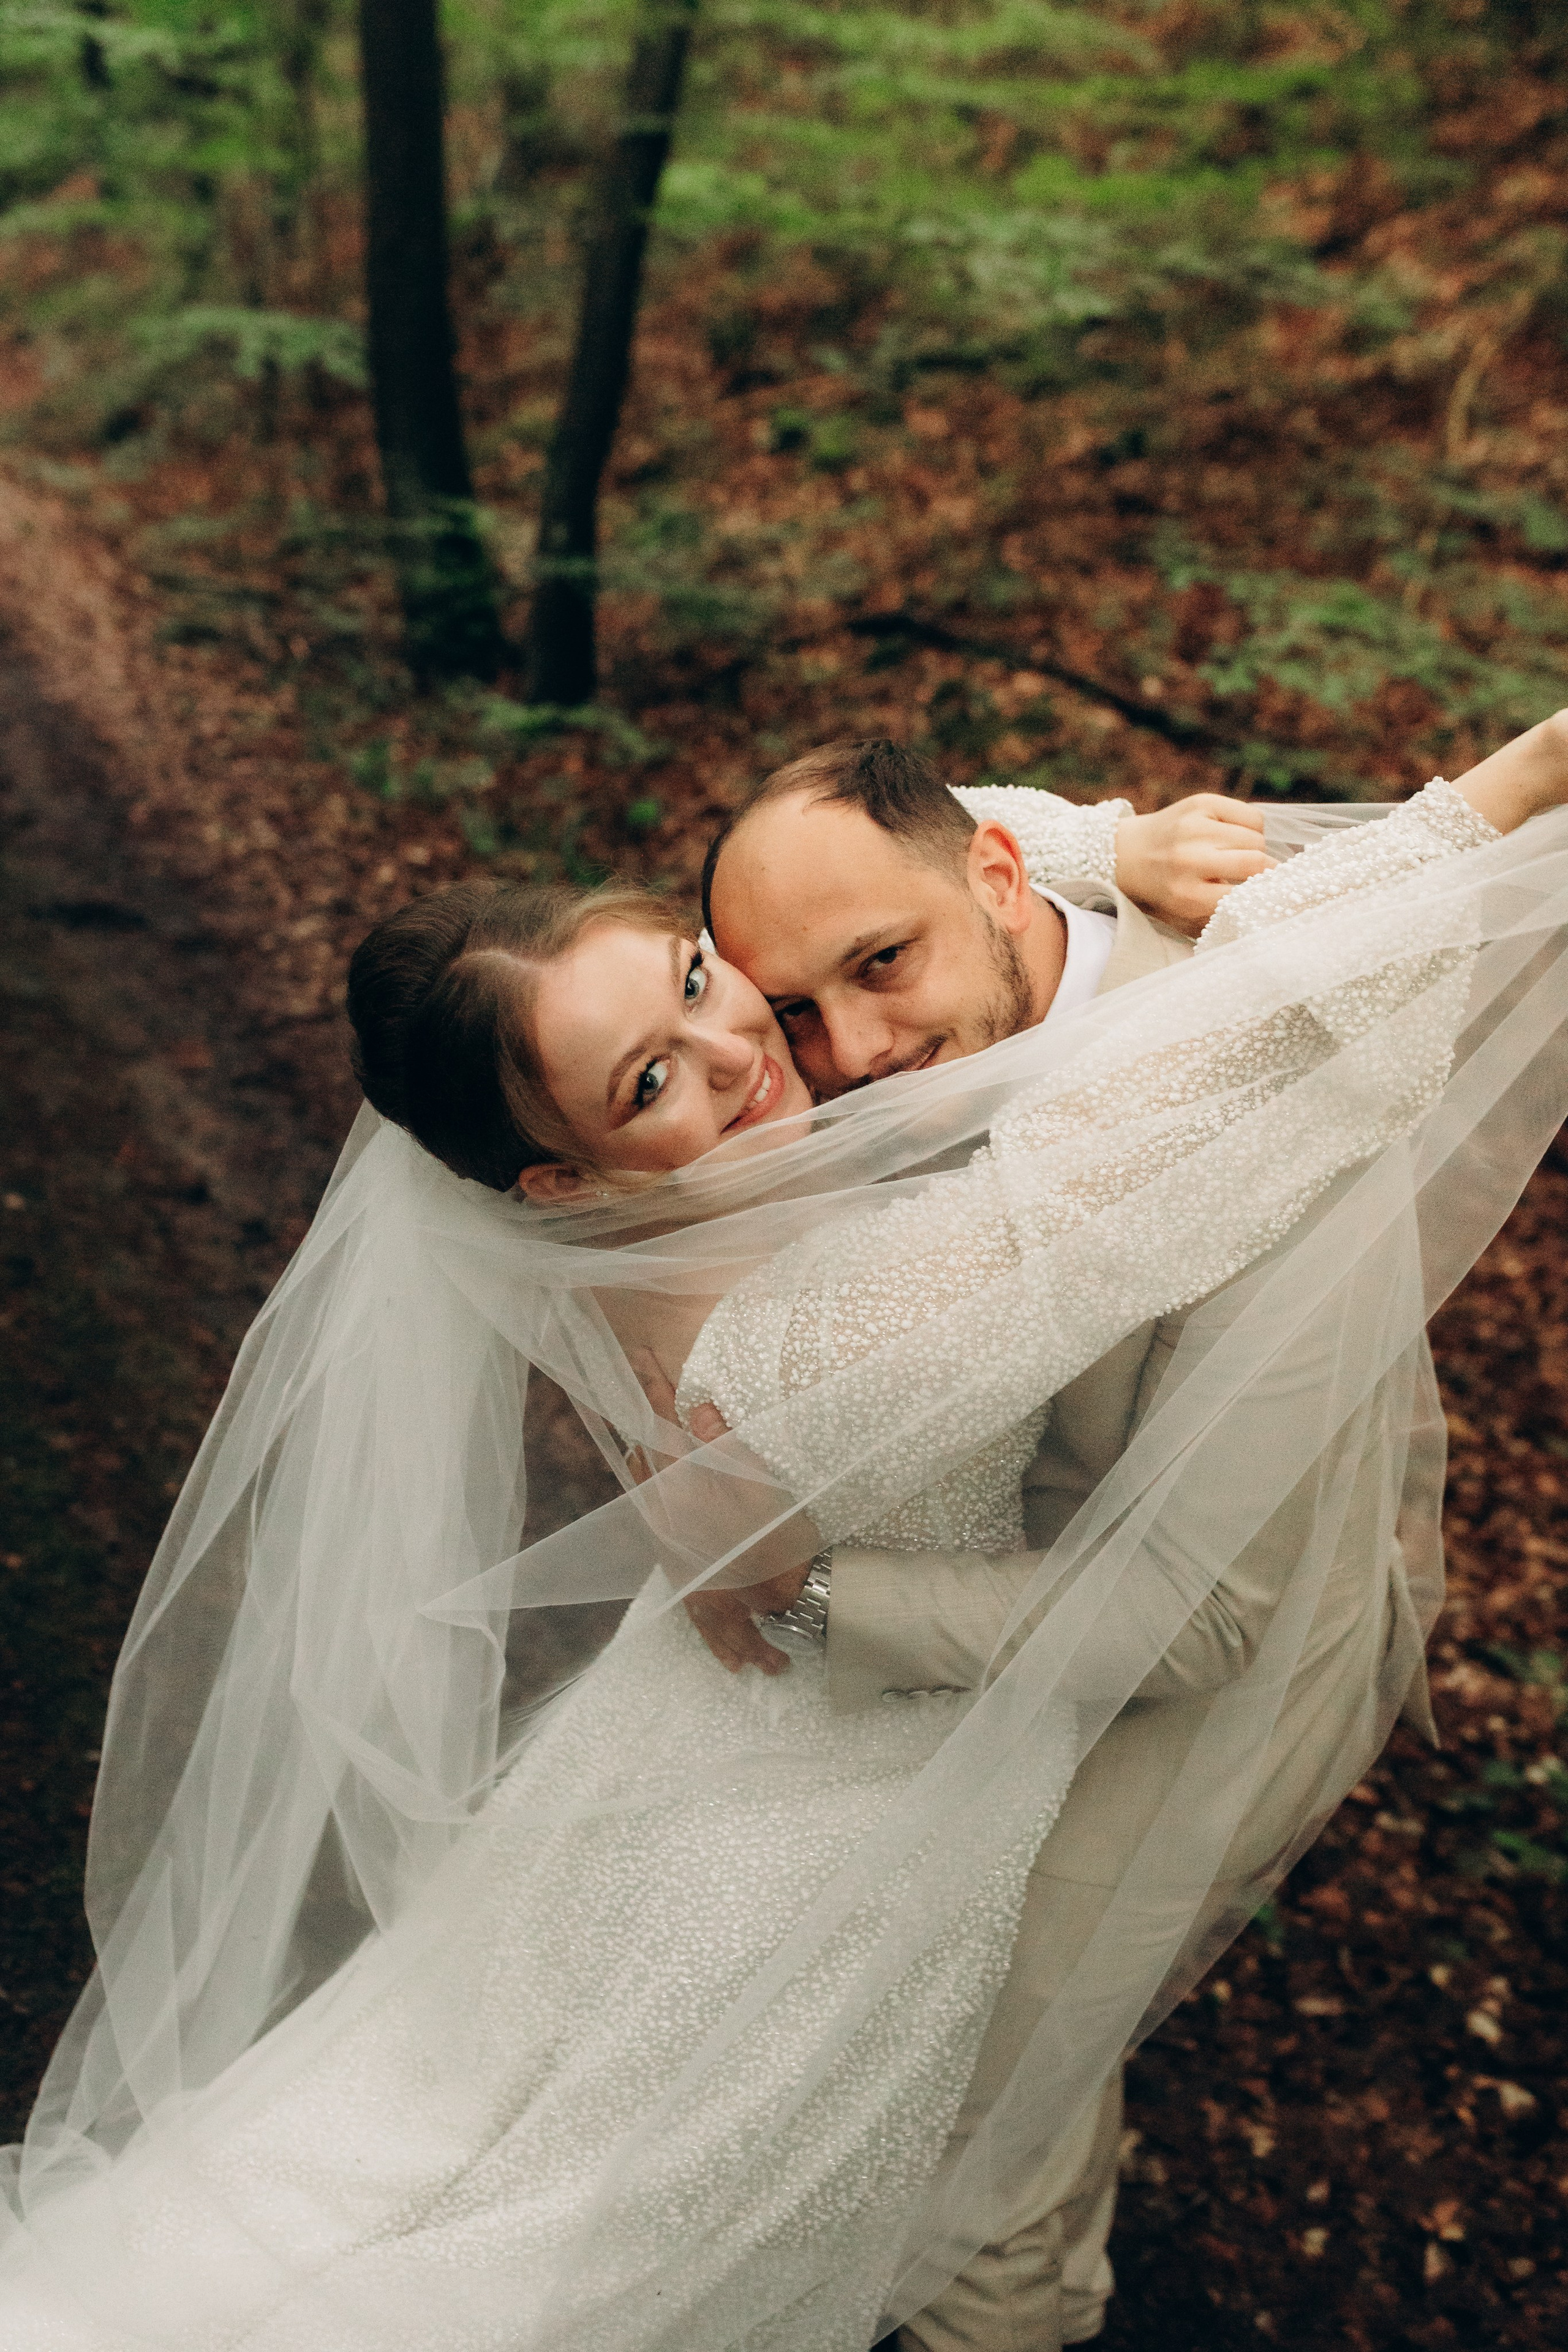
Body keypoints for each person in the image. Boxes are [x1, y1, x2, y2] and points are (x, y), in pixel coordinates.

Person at [2, 725, 1567, 2351]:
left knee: (665, 2119)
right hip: (863, 1739)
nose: (767, 1049)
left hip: (1075, 1662)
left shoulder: (764, 1079)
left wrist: (1109, 843)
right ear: (566, 1179)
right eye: (651, 1081)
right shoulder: (818, 1323)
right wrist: (1516, 787)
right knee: (769, 2180)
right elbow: (1125, 1122)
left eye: (702, 982)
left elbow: (893, 860)